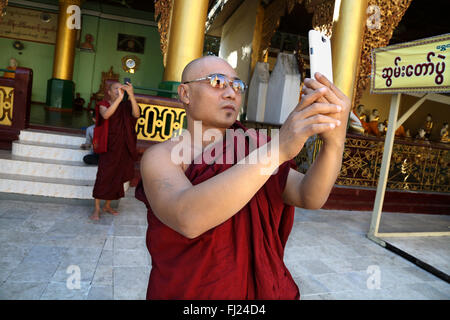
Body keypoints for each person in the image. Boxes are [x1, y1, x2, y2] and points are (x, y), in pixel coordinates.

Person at [135, 56, 350, 300]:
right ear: (185, 93)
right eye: (217, 82)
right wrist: (278, 150)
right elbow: (188, 218)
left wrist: (334, 143)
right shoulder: (162, 157)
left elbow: (307, 195)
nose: (230, 93)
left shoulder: (254, 148)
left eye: (237, 86)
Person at [90, 81, 140, 220]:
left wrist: (131, 95)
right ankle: (97, 208)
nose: (119, 91)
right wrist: (119, 99)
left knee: (116, 177)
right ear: (110, 92)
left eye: (121, 88)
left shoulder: (126, 105)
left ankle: (107, 205)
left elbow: (136, 114)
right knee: (104, 176)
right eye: (116, 89)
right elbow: (106, 115)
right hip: (108, 145)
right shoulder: (103, 104)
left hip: (122, 146)